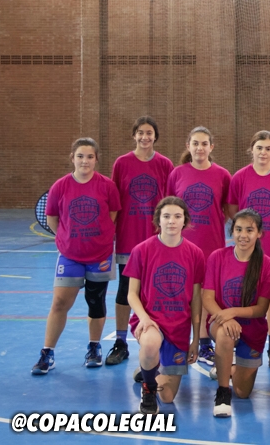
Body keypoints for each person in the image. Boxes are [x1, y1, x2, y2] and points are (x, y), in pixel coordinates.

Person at [32, 138, 120, 375]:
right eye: (80, 156)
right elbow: (52, 218)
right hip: (70, 256)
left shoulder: (107, 186)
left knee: (96, 302)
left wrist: (98, 238)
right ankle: (47, 353)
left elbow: (112, 214)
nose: (85, 161)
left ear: (96, 159)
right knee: (60, 303)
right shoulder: (60, 186)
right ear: (72, 158)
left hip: (100, 256)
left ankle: (94, 348)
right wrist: (66, 238)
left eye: (90, 156)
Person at [126, 196, 205, 414]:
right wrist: (144, 318)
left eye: (177, 216)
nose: (171, 221)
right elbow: (131, 294)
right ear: (158, 220)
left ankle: (147, 367)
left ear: (185, 220)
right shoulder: (142, 250)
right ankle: (148, 388)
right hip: (150, 319)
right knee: (150, 343)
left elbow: (196, 299)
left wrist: (196, 339)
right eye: (166, 216)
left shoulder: (195, 253)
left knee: (168, 398)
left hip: (179, 326)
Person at [227, 131, 270, 369]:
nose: (264, 152)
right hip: (247, 248)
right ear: (252, 150)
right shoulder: (240, 177)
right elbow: (233, 208)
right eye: (259, 148)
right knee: (244, 294)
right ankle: (239, 341)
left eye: (268, 148)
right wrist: (247, 233)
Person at [107, 116, 174, 366]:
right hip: (128, 238)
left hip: (157, 240)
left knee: (159, 291)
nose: (145, 137)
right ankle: (121, 342)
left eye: (149, 133)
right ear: (134, 135)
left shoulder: (165, 164)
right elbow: (114, 202)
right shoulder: (122, 163)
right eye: (141, 132)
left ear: (155, 136)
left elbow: (170, 202)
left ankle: (162, 340)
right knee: (126, 291)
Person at [203, 209, 270, 418]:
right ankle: (222, 392)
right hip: (220, 322)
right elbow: (207, 298)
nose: (243, 235)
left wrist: (232, 312)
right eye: (238, 229)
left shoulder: (267, 265)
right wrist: (225, 318)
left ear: (259, 233)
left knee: (243, 392)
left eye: (249, 230)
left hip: (252, 329)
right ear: (232, 231)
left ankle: (226, 367)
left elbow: (261, 309)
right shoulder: (217, 257)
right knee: (225, 334)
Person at [167, 126, 231, 366]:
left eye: (204, 143)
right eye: (195, 143)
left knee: (205, 295)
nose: (200, 148)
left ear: (211, 147)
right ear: (188, 146)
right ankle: (178, 341)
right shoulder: (177, 174)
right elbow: (168, 208)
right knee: (180, 294)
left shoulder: (222, 175)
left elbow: (228, 209)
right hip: (181, 245)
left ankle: (204, 344)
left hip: (211, 244)